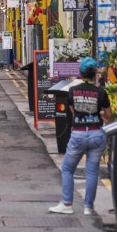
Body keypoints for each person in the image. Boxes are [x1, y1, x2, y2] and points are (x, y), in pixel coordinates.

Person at [49, 58, 111, 215]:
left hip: (79, 132)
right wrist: (99, 114)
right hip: (97, 133)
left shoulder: (72, 91)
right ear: (95, 73)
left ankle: (67, 203)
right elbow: (108, 115)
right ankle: (88, 207)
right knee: (92, 171)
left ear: (81, 73)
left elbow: (74, 111)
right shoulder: (101, 92)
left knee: (67, 168)